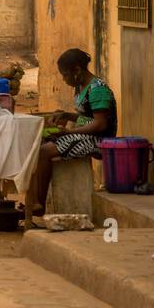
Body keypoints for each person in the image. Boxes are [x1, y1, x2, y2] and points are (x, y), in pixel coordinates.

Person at [23, 48, 118, 228]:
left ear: (77, 70)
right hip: (85, 134)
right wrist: (67, 116)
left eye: (65, 75)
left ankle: (39, 205)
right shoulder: (80, 86)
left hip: (100, 140)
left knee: (44, 152)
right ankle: (34, 199)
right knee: (38, 144)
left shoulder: (98, 89)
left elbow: (100, 125)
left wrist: (70, 133)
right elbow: (86, 117)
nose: (64, 79)